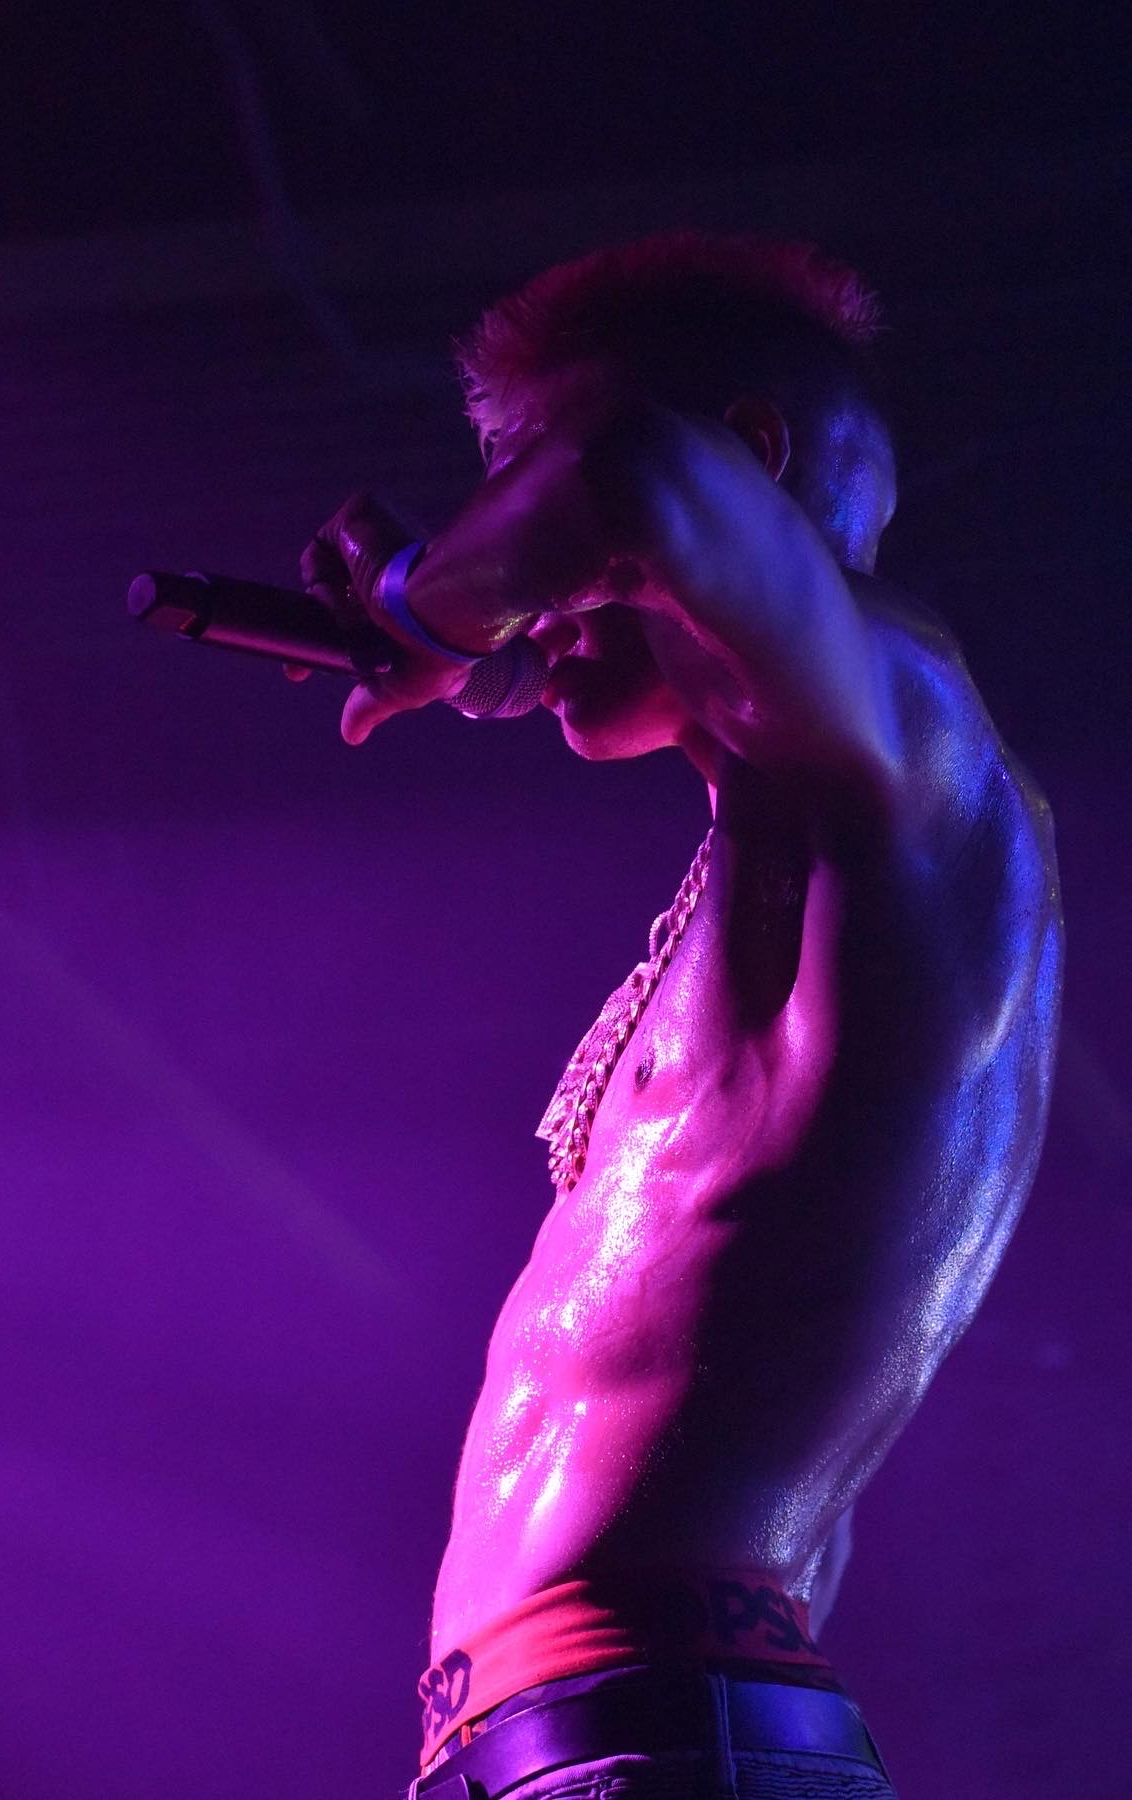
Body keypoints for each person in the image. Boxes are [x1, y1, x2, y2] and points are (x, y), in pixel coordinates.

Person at [293, 233, 1063, 1800]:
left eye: (524, 480)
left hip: (659, 1734)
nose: (520, 551)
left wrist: (440, 612)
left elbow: (630, 477)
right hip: (601, 1736)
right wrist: (512, 631)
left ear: (751, 459)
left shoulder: (909, 726)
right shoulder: (784, 829)